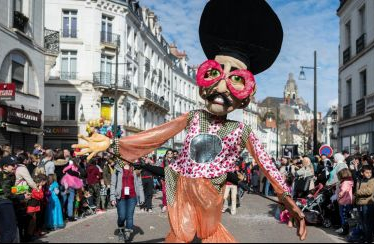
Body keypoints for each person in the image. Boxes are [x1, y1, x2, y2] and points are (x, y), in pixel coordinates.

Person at [73, 0, 307, 242]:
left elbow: (266, 162)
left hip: (210, 195)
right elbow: (158, 135)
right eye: (216, 73)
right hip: (180, 186)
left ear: (245, 98)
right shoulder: (194, 116)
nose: (222, 85)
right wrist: (113, 145)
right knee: (182, 233)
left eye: (235, 78)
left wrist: (286, 197)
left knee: (207, 233)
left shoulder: (241, 129)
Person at [0, 156, 31, 242]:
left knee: (5, 230)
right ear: (5, 167)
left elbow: (3, 190)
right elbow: (7, 193)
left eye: (15, 164)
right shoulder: (5, 176)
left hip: (3, 203)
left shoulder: (5, 175)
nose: (15, 166)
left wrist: (21, 189)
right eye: (12, 165)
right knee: (9, 230)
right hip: (5, 204)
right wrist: (23, 196)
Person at [110, 158, 145, 241]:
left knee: (129, 216)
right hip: (120, 197)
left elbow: (139, 184)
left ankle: (127, 233)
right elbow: (113, 184)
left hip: (132, 197)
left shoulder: (135, 168)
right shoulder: (117, 169)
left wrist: (141, 197)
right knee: (122, 216)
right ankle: (121, 230)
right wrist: (112, 197)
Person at [355, 165, 374, 243]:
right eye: (367, 172)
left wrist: (357, 192)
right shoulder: (359, 179)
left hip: (367, 203)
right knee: (362, 222)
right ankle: (365, 237)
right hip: (359, 203)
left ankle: (369, 239)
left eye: (370, 172)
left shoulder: (372, 180)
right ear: (362, 173)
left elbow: (369, 191)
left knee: (368, 223)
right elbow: (357, 189)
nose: (369, 174)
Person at [336, 168, 354, 236]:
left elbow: (342, 192)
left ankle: (345, 231)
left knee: (343, 216)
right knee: (347, 216)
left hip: (344, 201)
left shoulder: (345, 182)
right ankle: (347, 230)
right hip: (348, 200)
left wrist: (338, 197)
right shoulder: (349, 181)